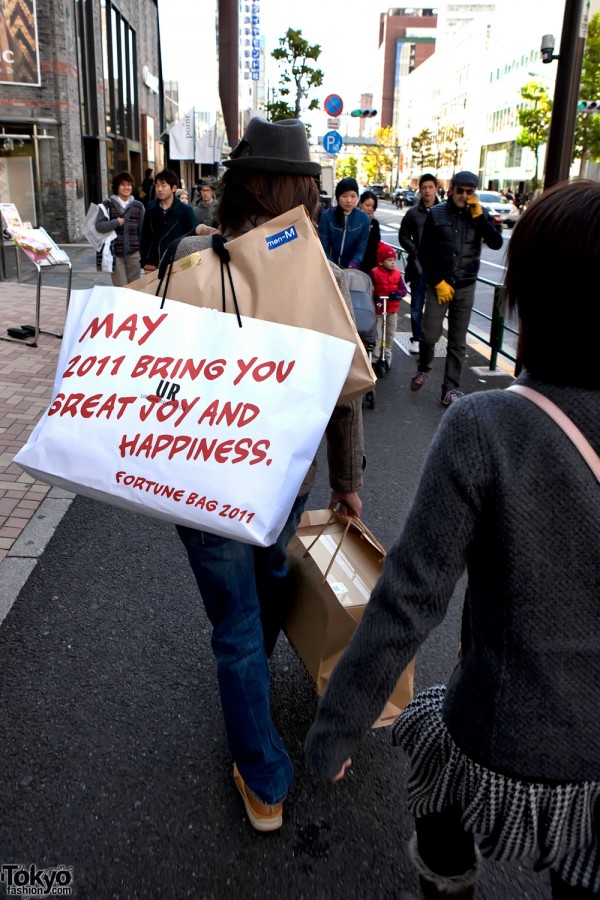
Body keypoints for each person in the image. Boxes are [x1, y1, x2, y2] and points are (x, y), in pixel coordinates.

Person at [305, 179, 600, 900]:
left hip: (502, 733)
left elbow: (410, 597)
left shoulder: (487, 427)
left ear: (529, 295)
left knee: (436, 761)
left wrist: (339, 726)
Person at [171, 117, 365, 833]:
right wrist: (347, 480)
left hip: (196, 476)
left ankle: (264, 782)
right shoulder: (321, 271)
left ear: (239, 184)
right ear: (303, 190)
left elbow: (151, 372)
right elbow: (345, 392)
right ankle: (256, 710)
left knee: (236, 621)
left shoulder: (190, 258)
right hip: (285, 475)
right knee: (266, 583)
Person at [410, 171, 503, 406]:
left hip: (466, 285)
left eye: (469, 192)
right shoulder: (436, 213)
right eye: (460, 190)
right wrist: (437, 281)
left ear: (474, 193)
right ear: (451, 190)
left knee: (457, 341)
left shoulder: (478, 215)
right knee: (429, 334)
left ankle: (450, 388)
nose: (464, 195)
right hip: (440, 284)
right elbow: (424, 252)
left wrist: (481, 218)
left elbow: (496, 242)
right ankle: (424, 367)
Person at [399, 173, 440, 354]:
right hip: (418, 266)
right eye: (424, 187)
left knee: (436, 306)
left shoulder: (444, 211)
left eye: (430, 187)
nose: (427, 191)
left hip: (439, 267)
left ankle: (430, 339)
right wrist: (416, 251)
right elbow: (403, 236)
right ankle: (416, 338)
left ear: (436, 188)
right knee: (417, 304)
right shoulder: (413, 213)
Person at [139, 169, 196, 272]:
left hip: (177, 263)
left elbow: (193, 240)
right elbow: (144, 237)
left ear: (173, 188)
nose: (160, 189)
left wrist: (189, 266)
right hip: (153, 264)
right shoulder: (151, 208)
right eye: (157, 186)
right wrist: (145, 261)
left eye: (163, 186)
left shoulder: (186, 210)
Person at [94, 171, 145, 287]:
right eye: (123, 184)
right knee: (121, 288)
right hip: (115, 254)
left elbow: (142, 231)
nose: (126, 187)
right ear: (116, 186)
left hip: (134, 253)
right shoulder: (107, 205)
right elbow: (99, 226)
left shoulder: (138, 206)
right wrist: (115, 222)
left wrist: (142, 252)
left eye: (129, 184)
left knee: (134, 288)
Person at [370, 243, 407, 375]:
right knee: (378, 335)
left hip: (392, 310)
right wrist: (375, 296)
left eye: (394, 260)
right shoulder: (374, 273)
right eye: (389, 260)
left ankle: (387, 355)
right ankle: (375, 358)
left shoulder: (397, 274)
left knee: (390, 333)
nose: (392, 263)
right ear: (381, 261)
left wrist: (398, 294)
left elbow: (404, 290)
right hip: (379, 310)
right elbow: (370, 289)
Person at [318, 177, 370, 269]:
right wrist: (331, 265)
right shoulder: (327, 216)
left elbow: (361, 248)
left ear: (357, 197)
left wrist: (354, 262)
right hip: (328, 266)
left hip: (351, 268)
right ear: (338, 196)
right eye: (344, 196)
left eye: (353, 196)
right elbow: (323, 245)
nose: (349, 200)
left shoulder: (364, 219)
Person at [358, 190, 381, 274]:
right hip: (355, 262)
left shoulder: (375, 223)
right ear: (360, 204)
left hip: (370, 264)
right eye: (367, 205)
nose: (370, 209)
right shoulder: (353, 220)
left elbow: (376, 244)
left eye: (373, 206)